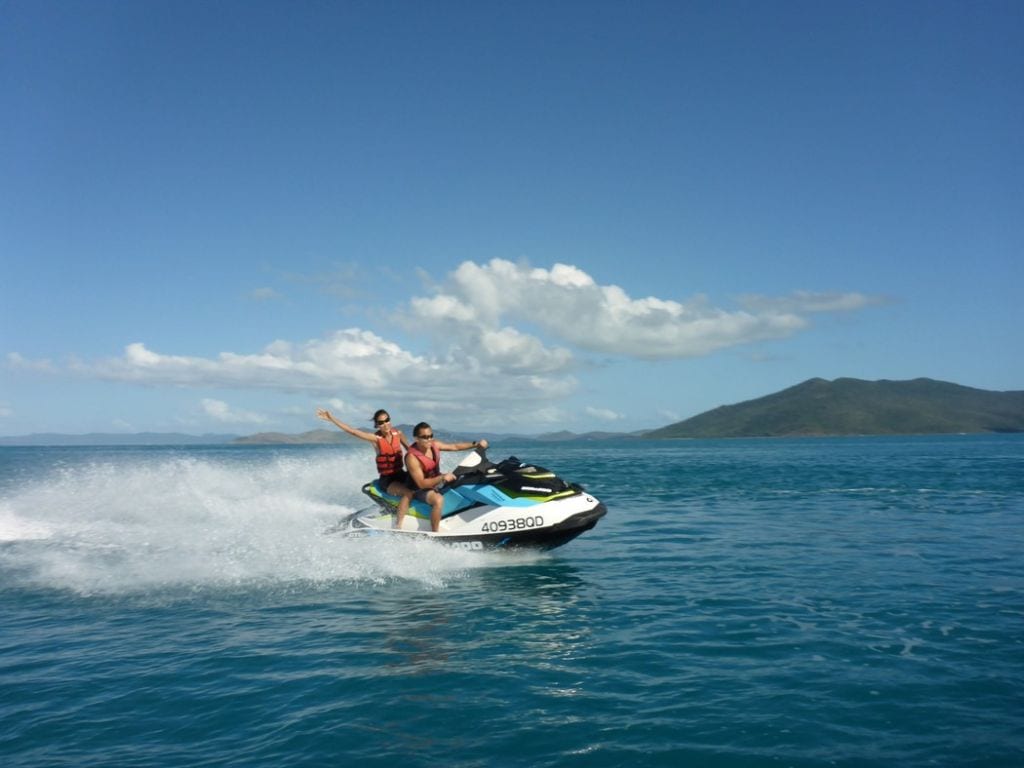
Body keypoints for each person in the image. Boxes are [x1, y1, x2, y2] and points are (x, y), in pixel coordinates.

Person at [316, 407, 415, 529]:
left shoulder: (398, 434)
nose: (385, 424)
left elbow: (412, 452)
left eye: (387, 420)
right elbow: (352, 431)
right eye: (381, 422)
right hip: (388, 480)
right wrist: (332, 418)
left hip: (402, 474)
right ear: (377, 425)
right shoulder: (375, 439)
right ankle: (398, 526)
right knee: (408, 493)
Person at [405, 422, 489, 532]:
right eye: (425, 437)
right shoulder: (412, 458)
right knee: (438, 500)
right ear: (416, 439)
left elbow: (454, 446)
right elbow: (421, 484)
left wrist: (476, 444)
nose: (429, 439)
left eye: (431, 436)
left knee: (465, 481)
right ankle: (435, 534)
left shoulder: (434, 445)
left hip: (436, 481)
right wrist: (442, 477)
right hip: (418, 489)